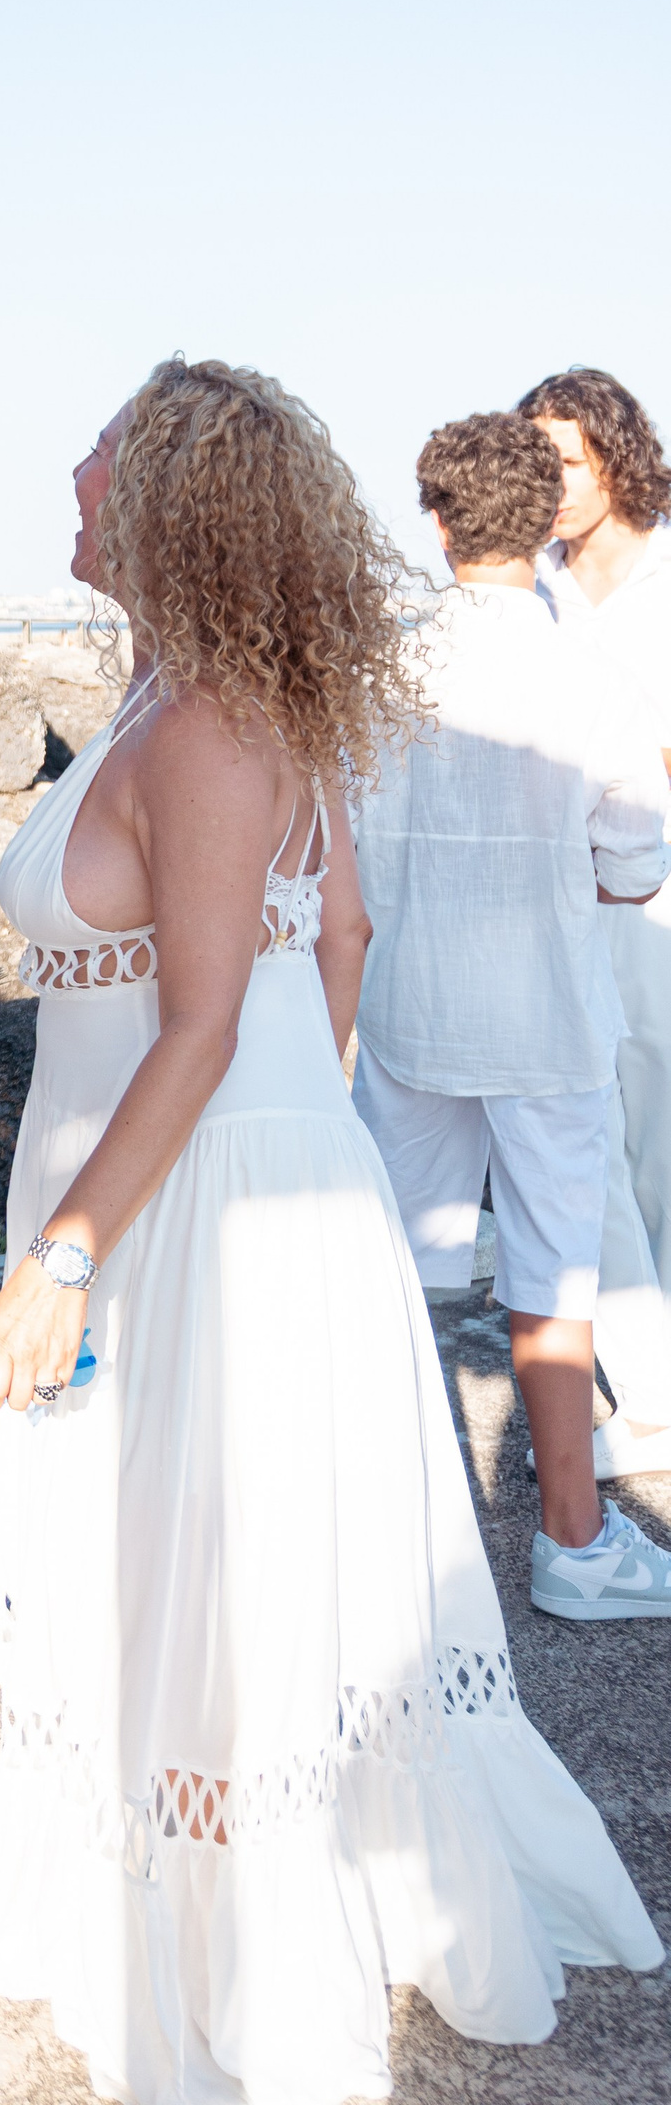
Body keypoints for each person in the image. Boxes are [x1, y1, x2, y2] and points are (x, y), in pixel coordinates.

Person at [0, 360, 662, 2105]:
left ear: (167, 498)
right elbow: (333, 940)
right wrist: (296, 1126)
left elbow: (204, 1020)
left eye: (100, 453)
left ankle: (236, 1946)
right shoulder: (207, 697)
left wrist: (72, 1252)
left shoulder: (210, 724)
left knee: (208, 1572)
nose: (72, 472)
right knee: (189, 1563)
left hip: (191, 1195)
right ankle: (196, 1896)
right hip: (223, 1173)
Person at [354, 410, 671, 1611]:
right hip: (548, 1015)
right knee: (554, 1276)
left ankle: (388, 1538)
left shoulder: (379, 674)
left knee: (395, 1270)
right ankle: (572, 1545)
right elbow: (635, 865)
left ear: (436, 524)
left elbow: (342, 856)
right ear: (544, 524)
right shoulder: (595, 681)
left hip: (409, 1011)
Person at [520, 365, 671, 1479]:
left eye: (569, 460)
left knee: (658, 1142)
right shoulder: (533, 588)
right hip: (567, 901)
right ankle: (651, 1397)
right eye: (538, 464)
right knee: (594, 1143)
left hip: (657, 894)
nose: (554, 484)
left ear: (619, 455)